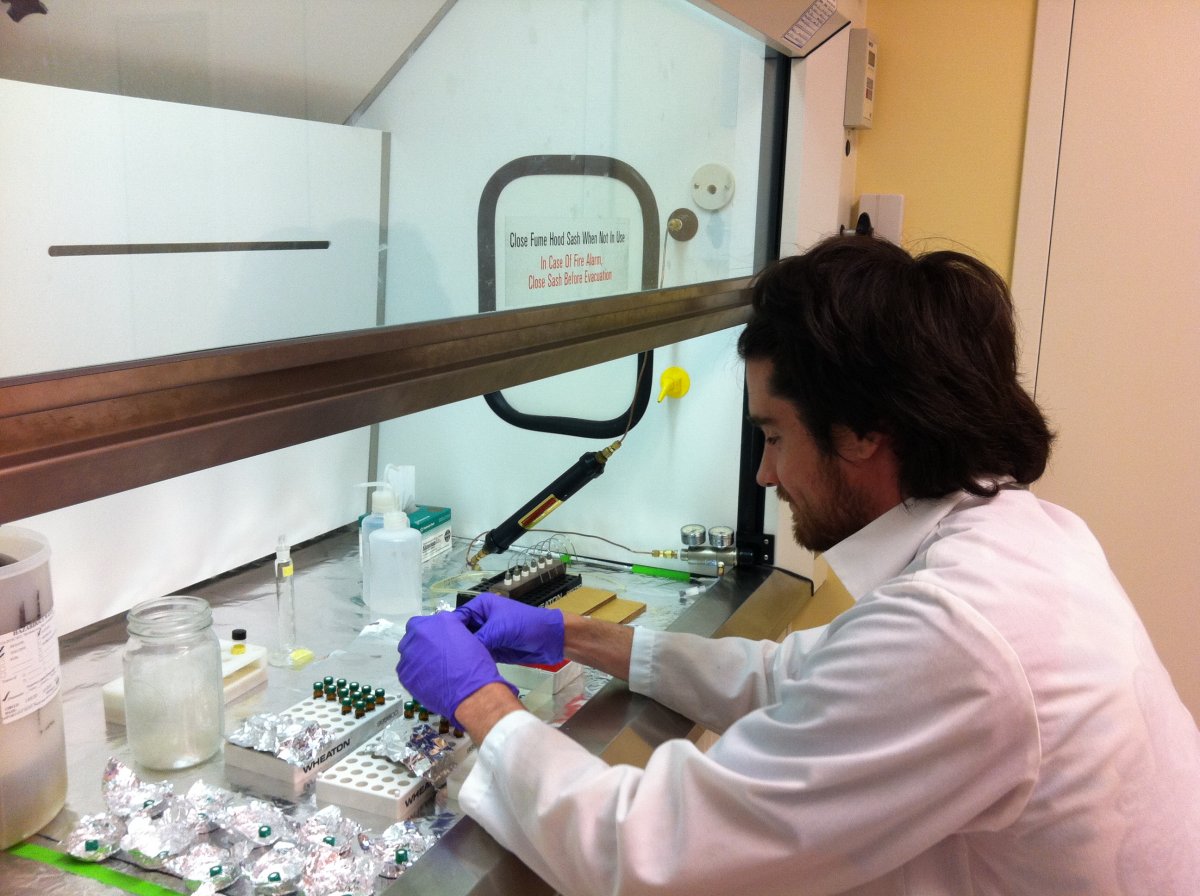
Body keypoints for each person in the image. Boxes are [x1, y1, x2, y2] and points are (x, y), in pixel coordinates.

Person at [397, 235, 1200, 895]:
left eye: (775, 436)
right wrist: (571, 636)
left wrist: (484, 707)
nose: (764, 476)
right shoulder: (1023, 536)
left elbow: (647, 858)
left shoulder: (963, 635)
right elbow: (798, 680)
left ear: (862, 431)